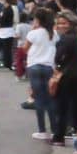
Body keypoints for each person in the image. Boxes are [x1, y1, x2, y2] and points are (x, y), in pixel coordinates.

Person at [50, 12, 77, 146]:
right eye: (59, 23)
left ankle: (58, 137)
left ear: (71, 24)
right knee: (75, 107)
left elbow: (59, 57)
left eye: (64, 23)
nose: (60, 26)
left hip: (65, 76)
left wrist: (58, 66)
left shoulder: (65, 39)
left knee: (61, 107)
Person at [23, 7, 57, 139]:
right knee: (50, 99)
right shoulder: (53, 34)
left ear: (37, 20)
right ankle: (54, 129)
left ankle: (42, 130)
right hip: (49, 66)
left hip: (34, 66)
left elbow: (25, 48)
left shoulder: (34, 33)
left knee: (38, 98)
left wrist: (33, 29)